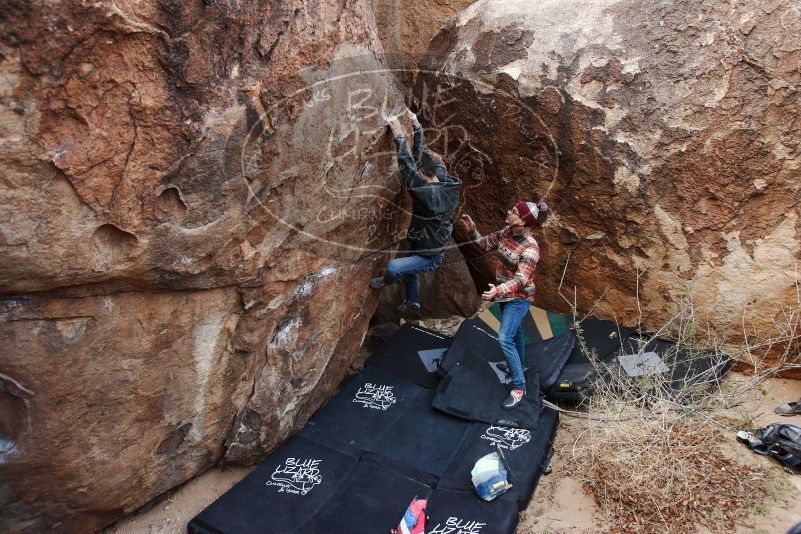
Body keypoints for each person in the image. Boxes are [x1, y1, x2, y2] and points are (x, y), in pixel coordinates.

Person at [370, 110, 462, 311]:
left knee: (395, 268)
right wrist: (417, 126)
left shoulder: (428, 196)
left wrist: (399, 135)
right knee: (410, 271)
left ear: (422, 174)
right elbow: (423, 154)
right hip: (427, 239)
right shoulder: (444, 179)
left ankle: (386, 282)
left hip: (430, 255)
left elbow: (408, 169)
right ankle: (413, 301)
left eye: (419, 173)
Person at [461, 200, 549, 409]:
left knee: (505, 337)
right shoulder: (507, 232)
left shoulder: (531, 248)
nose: (509, 212)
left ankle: (519, 387)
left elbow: (521, 279)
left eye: (514, 211)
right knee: (516, 333)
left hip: (519, 297)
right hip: (503, 294)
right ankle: (515, 366)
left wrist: (497, 291)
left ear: (523, 221)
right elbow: (484, 244)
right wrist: (473, 231)